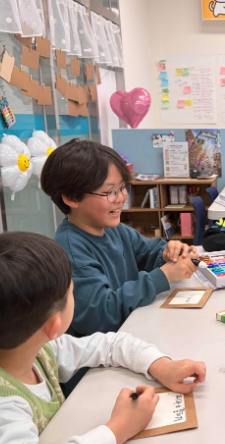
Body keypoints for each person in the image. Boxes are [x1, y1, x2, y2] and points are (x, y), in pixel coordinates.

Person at [0, 232, 206, 444]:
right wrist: (119, 428)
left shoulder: (42, 349)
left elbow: (110, 345)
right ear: (54, 326)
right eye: (72, 292)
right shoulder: (6, 409)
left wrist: (161, 365)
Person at [41, 140, 197, 337]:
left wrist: (169, 254)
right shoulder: (71, 252)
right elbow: (100, 315)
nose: (121, 197)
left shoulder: (114, 229)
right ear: (71, 198)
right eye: (109, 192)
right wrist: (163, 276)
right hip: (103, 350)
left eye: (123, 187)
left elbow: (148, 254)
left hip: (131, 331)